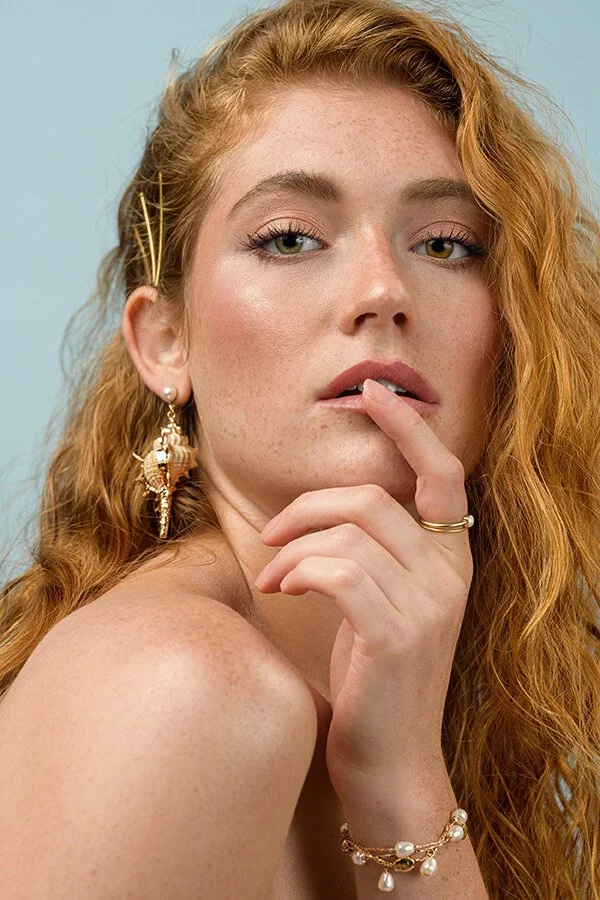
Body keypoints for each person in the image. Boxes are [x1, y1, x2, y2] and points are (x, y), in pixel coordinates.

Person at [1, 0, 598, 896]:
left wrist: (399, 777)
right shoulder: (187, 692)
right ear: (166, 342)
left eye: (446, 243)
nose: (383, 289)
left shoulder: (407, 716)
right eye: (288, 239)